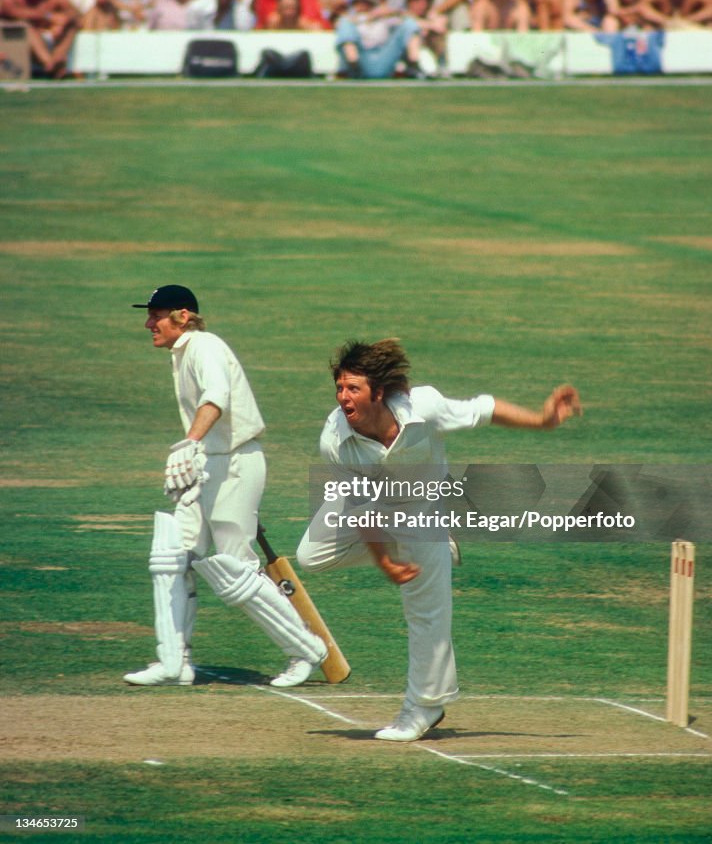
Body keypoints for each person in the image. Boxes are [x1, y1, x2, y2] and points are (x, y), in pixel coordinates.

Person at [296, 338, 581, 742]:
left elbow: (484, 410)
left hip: (421, 510)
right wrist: (385, 560)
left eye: (353, 388)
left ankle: (423, 706)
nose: (343, 397)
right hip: (371, 500)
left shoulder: (423, 407)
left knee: (425, 612)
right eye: (339, 388)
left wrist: (542, 420)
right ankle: (414, 548)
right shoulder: (335, 440)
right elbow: (363, 510)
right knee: (310, 555)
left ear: (378, 393)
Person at [124, 285, 327, 689]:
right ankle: (172, 661)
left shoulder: (205, 347)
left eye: (156, 315)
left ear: (182, 316)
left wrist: (191, 442)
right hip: (207, 466)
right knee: (172, 555)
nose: (149, 324)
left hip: (235, 462)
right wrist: (197, 453)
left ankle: (305, 649)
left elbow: (217, 396)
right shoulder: (183, 354)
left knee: (234, 569)